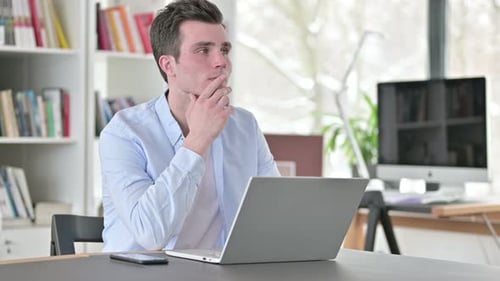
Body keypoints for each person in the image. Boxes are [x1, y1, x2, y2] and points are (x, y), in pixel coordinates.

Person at [99, 0, 280, 252]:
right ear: (168, 65)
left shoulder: (244, 126)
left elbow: (276, 215)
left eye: (224, 50)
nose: (221, 62)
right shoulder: (124, 133)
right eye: (203, 50)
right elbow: (150, 234)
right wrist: (198, 140)